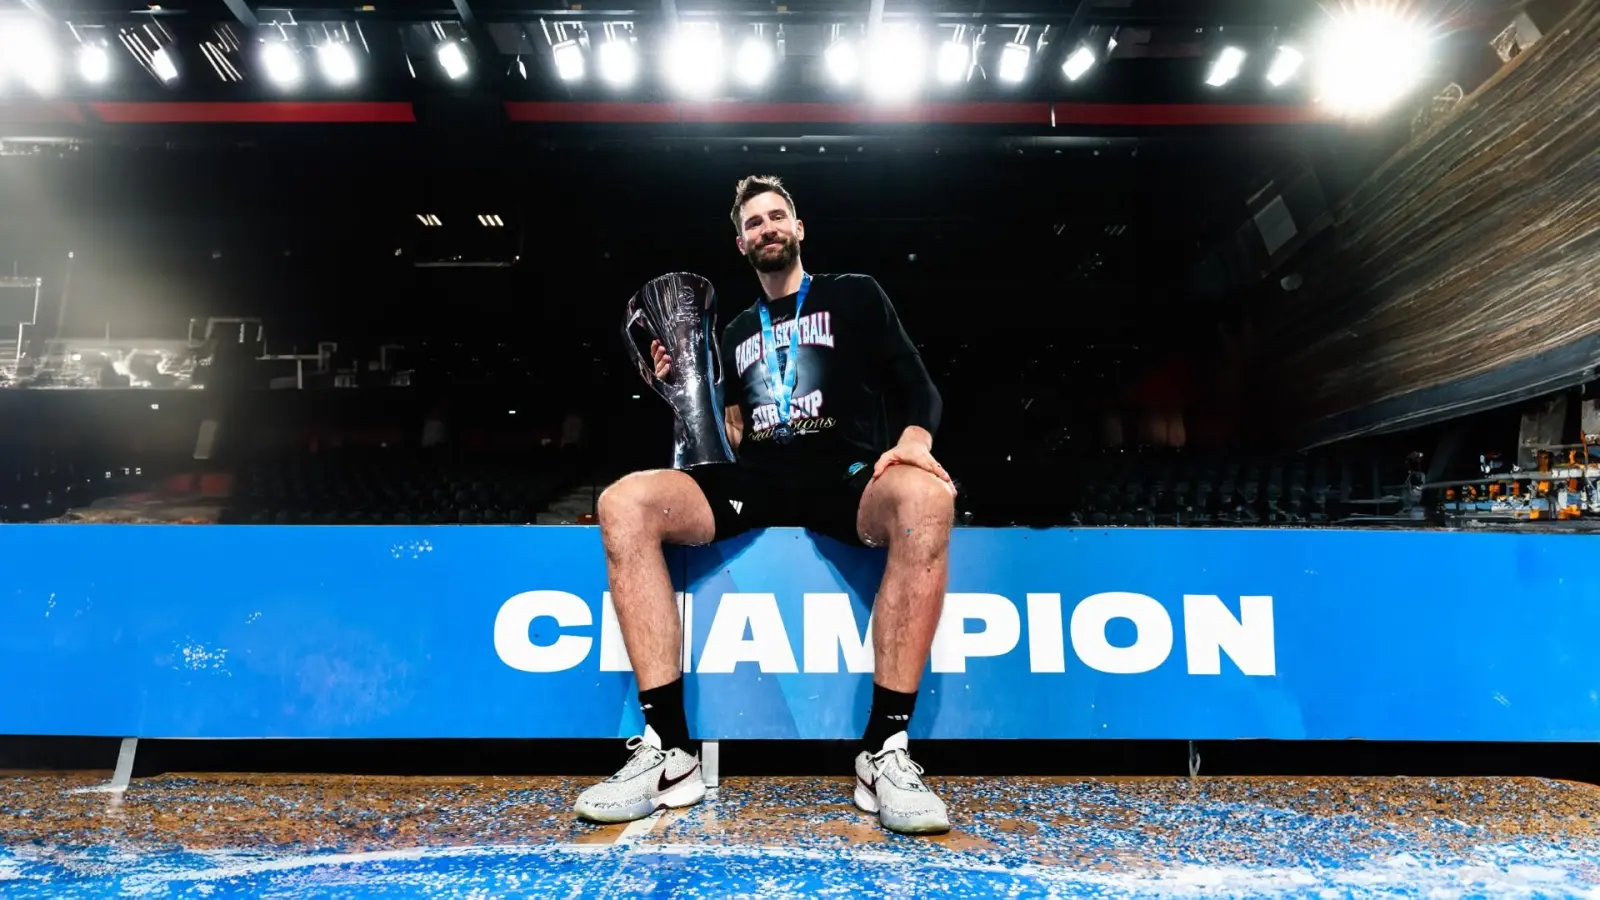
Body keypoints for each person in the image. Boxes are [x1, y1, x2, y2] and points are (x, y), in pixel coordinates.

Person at [574, 175, 956, 835]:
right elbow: (723, 435)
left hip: (845, 475)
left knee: (926, 498)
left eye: (777, 216)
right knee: (623, 503)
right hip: (755, 481)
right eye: (753, 223)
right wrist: (678, 387)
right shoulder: (732, 330)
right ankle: (670, 753)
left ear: (798, 228)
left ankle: (883, 751)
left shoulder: (854, 294)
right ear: (741, 243)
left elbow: (917, 384)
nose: (767, 227)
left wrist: (914, 444)